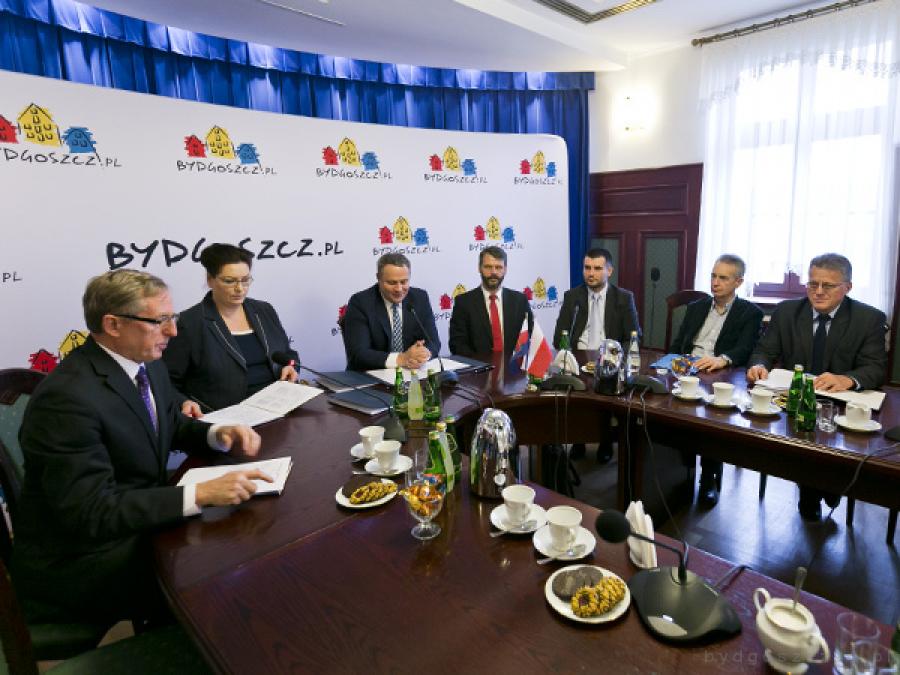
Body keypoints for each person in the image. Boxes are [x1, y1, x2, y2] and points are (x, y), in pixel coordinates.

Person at [12, 269, 270, 626]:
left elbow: (169, 422)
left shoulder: (145, 362)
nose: (173, 331)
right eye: (159, 321)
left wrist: (216, 433)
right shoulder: (66, 399)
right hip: (84, 560)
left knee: (244, 545)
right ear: (113, 325)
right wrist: (200, 494)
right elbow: (92, 512)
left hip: (134, 521)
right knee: (229, 582)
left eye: (172, 317)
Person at [747, 253, 888, 521]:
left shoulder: (868, 318)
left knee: (835, 441)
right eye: (813, 284)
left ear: (847, 287)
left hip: (840, 403)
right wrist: (759, 365)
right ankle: (812, 491)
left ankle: (829, 483)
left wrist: (848, 379)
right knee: (801, 434)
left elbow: (875, 367)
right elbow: (763, 350)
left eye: (828, 285)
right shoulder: (787, 312)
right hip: (793, 401)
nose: (818, 291)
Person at [669, 254, 763, 506]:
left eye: (723, 278)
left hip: (719, 374)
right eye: (713, 276)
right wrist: (671, 361)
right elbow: (679, 343)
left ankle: (708, 477)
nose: (715, 282)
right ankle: (676, 470)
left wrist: (723, 359)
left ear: (738, 282)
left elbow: (745, 349)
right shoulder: (696, 307)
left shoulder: (750, 313)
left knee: (713, 418)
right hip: (687, 369)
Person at [163, 243, 299, 413]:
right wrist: (184, 402)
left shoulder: (264, 311)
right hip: (225, 416)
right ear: (210, 280)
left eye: (245, 280)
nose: (239, 288)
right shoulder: (190, 323)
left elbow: (288, 355)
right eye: (229, 281)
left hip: (278, 407)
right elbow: (166, 381)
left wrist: (290, 367)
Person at [553, 247, 640, 462]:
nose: (591, 273)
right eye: (587, 268)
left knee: (606, 394)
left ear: (609, 271)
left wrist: (615, 358)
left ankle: (605, 441)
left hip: (609, 359)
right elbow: (559, 336)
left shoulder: (623, 298)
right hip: (579, 357)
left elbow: (634, 336)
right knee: (575, 392)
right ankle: (578, 440)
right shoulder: (572, 297)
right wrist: (569, 355)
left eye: (597, 268)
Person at [342, 253, 440, 371]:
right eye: (392, 283)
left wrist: (422, 355)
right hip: (370, 375)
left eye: (404, 282)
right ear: (378, 278)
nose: (399, 289)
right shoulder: (361, 302)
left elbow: (433, 342)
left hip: (411, 373)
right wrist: (401, 359)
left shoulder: (419, 298)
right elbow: (358, 354)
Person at [448, 246, 533, 357]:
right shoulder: (463, 303)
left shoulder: (519, 301)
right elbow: (457, 345)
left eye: (498, 267)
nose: (493, 272)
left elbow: (532, 335)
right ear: (479, 268)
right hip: (478, 366)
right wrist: (483, 364)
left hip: (514, 365)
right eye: (488, 267)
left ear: (505, 269)